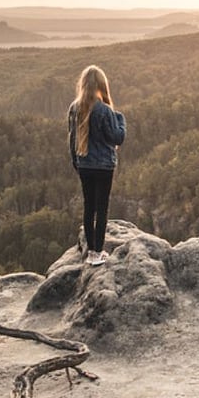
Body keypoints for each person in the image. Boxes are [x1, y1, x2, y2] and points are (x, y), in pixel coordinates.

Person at [68, 65, 126, 266]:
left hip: (84, 164)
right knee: (101, 209)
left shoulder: (75, 108)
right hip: (103, 166)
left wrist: (77, 163)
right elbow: (117, 138)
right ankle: (97, 252)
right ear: (102, 86)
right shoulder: (105, 110)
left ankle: (90, 253)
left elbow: (72, 140)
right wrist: (120, 119)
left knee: (89, 207)